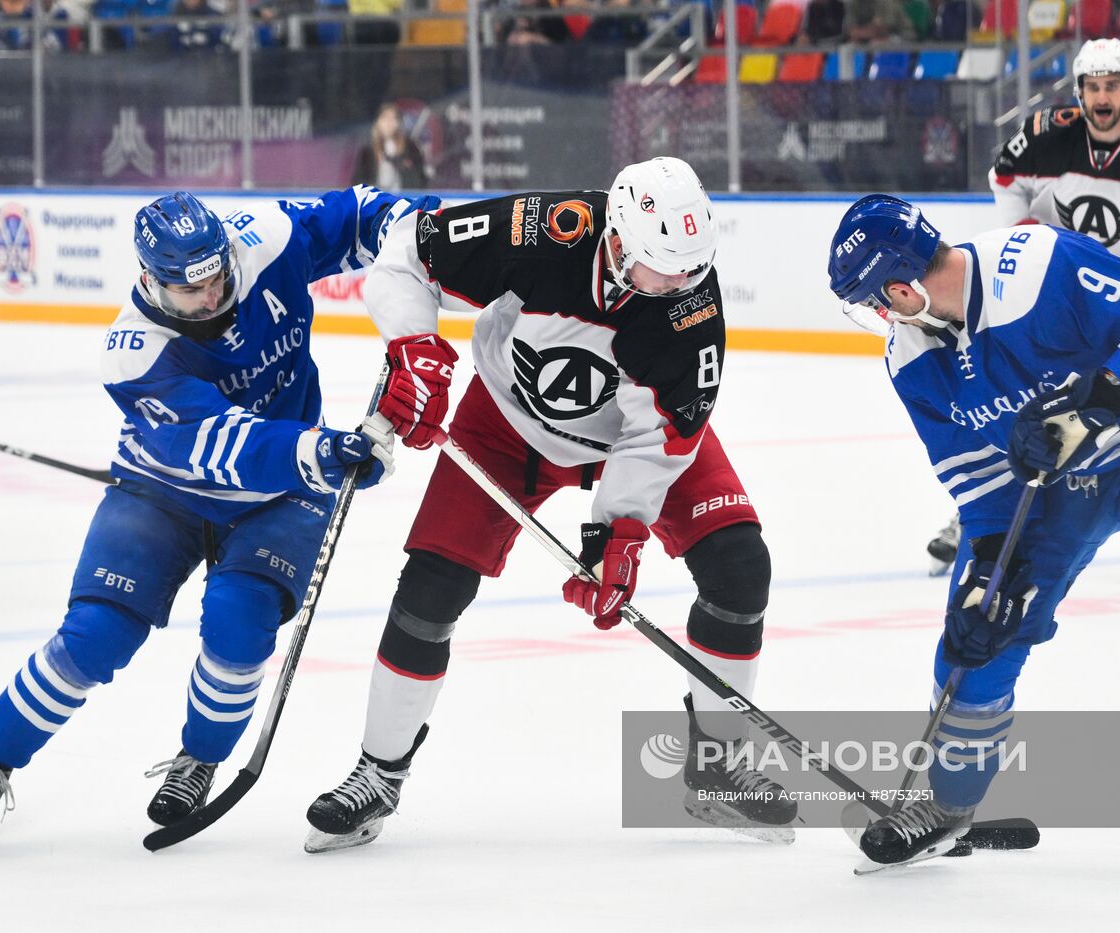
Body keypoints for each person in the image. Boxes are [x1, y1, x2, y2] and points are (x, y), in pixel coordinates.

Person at [825, 195, 1120, 923]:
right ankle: (947, 805)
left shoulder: (1038, 265)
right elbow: (982, 491)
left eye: (873, 303)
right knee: (978, 630)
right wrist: (988, 568)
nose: (882, 319)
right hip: (1064, 484)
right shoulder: (912, 359)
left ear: (899, 288)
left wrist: (1104, 394)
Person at [301, 156, 798, 853]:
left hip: (631, 436)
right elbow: (405, 257)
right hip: (505, 421)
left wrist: (618, 535)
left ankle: (720, 769)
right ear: (618, 240)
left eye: (692, 269)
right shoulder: (540, 231)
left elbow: (663, 435)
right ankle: (379, 773)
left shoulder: (691, 310)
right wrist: (415, 347)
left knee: (741, 566)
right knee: (429, 589)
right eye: (664, 268)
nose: (679, 286)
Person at [0, 185, 432, 855]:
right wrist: (319, 453)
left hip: (281, 494)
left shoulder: (267, 237)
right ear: (149, 278)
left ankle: (199, 757)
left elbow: (359, 214)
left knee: (239, 625)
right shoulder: (133, 352)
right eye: (190, 289)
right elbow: (222, 445)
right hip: (165, 489)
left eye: (218, 277)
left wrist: (430, 237)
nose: (211, 296)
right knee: (95, 634)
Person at [923, 37, 1120, 576]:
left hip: (1113, 313)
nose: (1102, 97)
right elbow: (1005, 177)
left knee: (1099, 418)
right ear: (1079, 90)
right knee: (1013, 407)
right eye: (1093, 86)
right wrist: (1014, 237)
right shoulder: (1048, 135)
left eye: (1111, 86)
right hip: (1043, 302)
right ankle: (980, 518)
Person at [352, 102, 428, 191]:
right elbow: (358, 182)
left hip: (403, 199)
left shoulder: (410, 148)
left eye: (393, 118)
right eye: (385, 118)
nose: (389, 122)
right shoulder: (368, 151)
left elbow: (420, 179)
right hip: (377, 200)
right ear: (378, 121)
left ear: (398, 122)